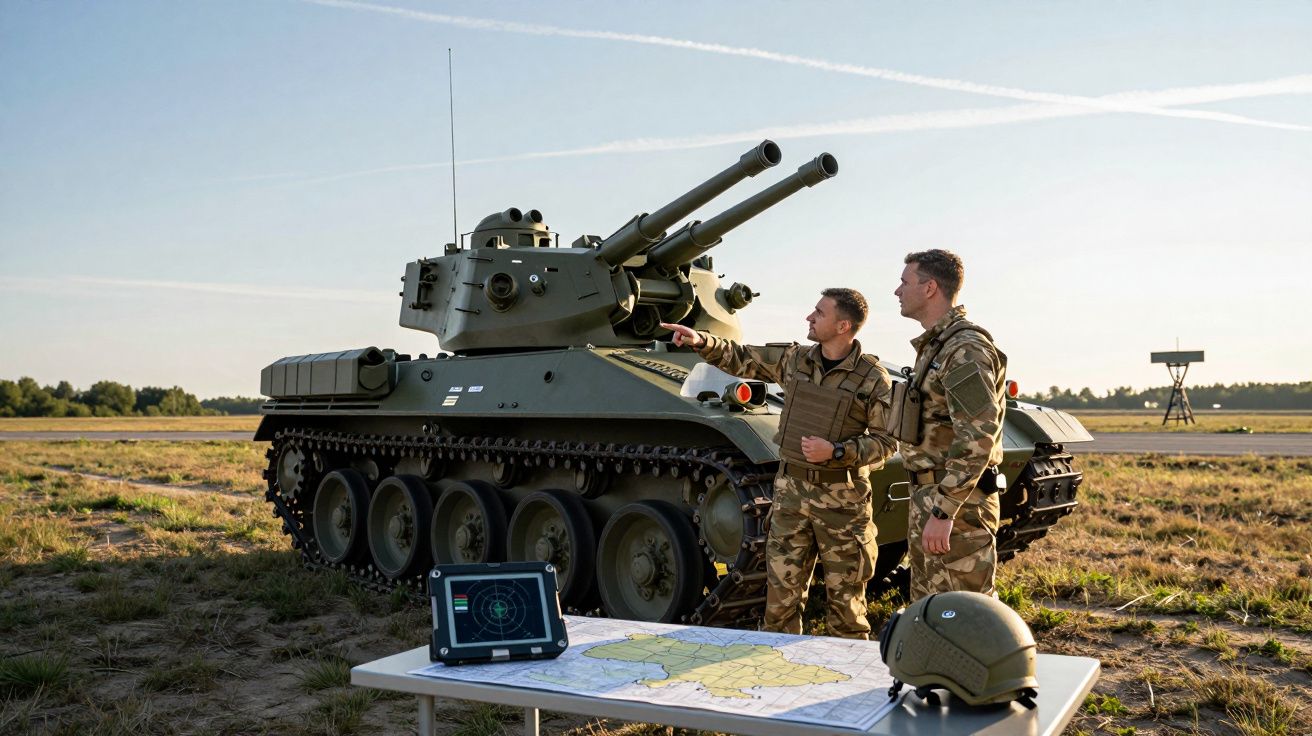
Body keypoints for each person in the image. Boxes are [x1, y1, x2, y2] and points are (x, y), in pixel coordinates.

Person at [660, 288, 897, 639]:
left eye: (819, 312)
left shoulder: (873, 379)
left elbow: (887, 442)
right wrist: (701, 340)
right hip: (790, 497)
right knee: (780, 602)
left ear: (843, 325)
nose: (809, 317)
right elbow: (743, 357)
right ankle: (778, 673)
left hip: (842, 503)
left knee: (846, 608)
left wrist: (835, 452)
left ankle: (843, 679)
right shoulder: (796, 359)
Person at [892, 249, 1008, 599]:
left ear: (929, 288)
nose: (897, 291)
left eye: (904, 282)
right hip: (934, 497)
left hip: (957, 504)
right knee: (932, 612)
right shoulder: (938, 345)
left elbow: (978, 436)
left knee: (963, 614)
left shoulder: (963, 349)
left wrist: (944, 510)